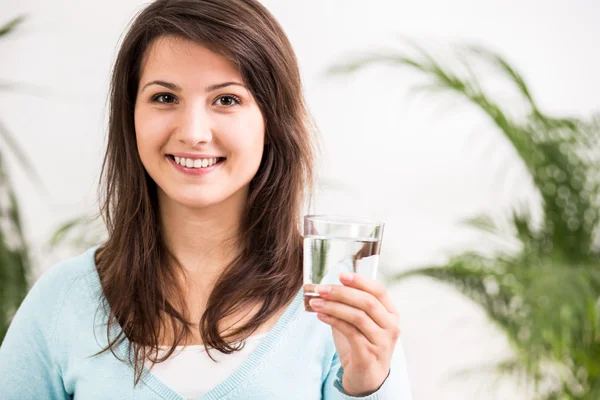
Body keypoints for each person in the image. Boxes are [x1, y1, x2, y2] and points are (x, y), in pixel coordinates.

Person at [0, 0, 412, 398]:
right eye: (165, 98)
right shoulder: (62, 301)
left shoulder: (334, 305)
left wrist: (366, 387)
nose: (194, 132)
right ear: (130, 117)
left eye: (227, 100)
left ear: (272, 122)